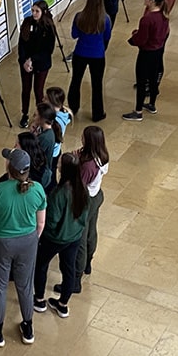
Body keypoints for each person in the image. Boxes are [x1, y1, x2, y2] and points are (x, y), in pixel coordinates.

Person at [0, 148, 46, 347]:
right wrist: (31, 240)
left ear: (9, 167)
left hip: (0, 243)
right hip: (28, 241)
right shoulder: (38, 189)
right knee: (25, 285)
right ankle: (27, 327)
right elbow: (41, 223)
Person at [33, 153, 89, 318]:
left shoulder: (59, 193)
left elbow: (52, 220)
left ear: (63, 170)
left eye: (59, 164)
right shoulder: (83, 189)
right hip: (74, 237)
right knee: (68, 269)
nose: (56, 165)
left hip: (55, 238)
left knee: (41, 265)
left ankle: (39, 299)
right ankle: (63, 304)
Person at [55, 126, 109, 294]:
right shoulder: (102, 155)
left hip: (85, 200)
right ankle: (87, 265)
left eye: (84, 136)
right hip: (96, 195)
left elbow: (79, 186)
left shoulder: (87, 166)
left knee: (80, 238)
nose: (81, 138)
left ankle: (76, 279)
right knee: (92, 232)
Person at [122, 0, 170, 121]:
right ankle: (152, 104)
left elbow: (141, 40)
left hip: (146, 54)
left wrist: (133, 38)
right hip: (158, 52)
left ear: (153, 1)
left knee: (142, 81)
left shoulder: (147, 19)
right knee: (154, 80)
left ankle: (138, 111)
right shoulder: (164, 16)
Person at [67, 0, 112, 122]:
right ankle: (97, 114)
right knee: (97, 85)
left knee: (76, 80)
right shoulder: (105, 19)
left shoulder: (79, 16)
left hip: (80, 52)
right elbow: (107, 37)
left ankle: (73, 108)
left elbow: (74, 35)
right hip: (98, 55)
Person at [18, 0, 56, 128]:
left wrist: (32, 59)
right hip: (26, 64)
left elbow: (48, 50)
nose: (34, 13)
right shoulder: (27, 22)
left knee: (38, 91)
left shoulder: (48, 26)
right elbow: (21, 43)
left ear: (43, 12)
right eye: (33, 10)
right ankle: (24, 114)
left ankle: (41, 115)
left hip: (41, 64)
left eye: (37, 11)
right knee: (26, 89)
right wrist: (24, 61)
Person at [31, 102, 63, 193]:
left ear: (42, 119)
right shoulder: (45, 131)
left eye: (36, 115)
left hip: (40, 174)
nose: (33, 117)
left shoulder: (45, 137)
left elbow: (34, 154)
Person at [45, 87, 73, 189]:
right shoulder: (63, 115)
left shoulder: (54, 121)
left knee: (49, 180)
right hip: (56, 152)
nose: (43, 100)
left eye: (45, 99)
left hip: (50, 155)